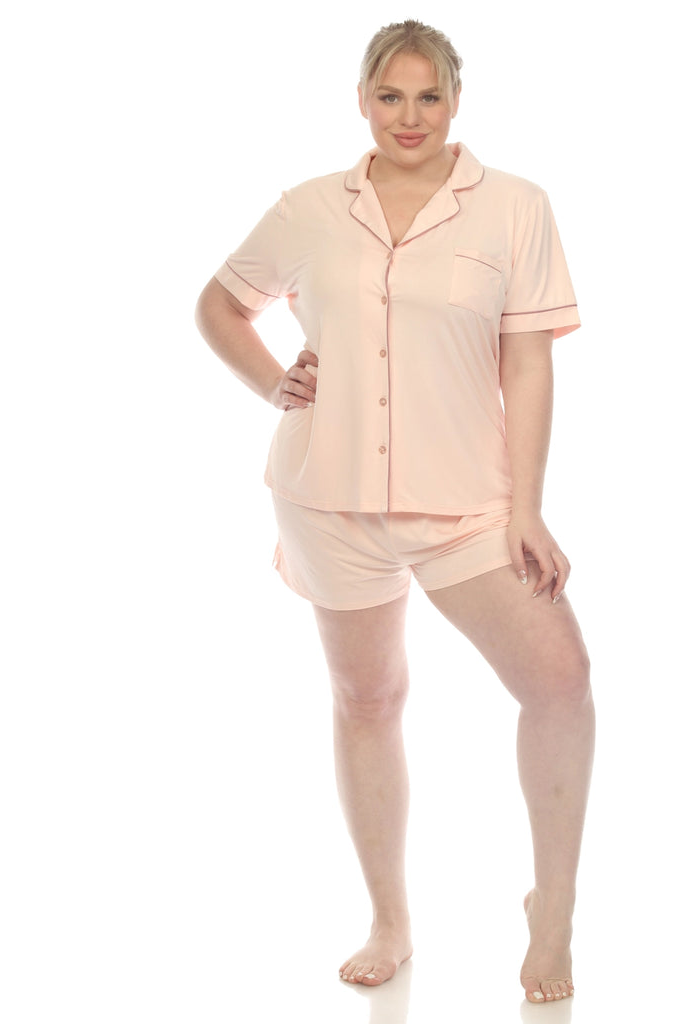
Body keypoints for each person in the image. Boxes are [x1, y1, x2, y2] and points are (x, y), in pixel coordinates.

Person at [194, 20, 595, 1005]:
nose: (408, 117)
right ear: (362, 101)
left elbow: (528, 365)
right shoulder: (308, 208)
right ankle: (389, 917)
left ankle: (551, 909)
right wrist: (275, 383)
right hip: (326, 496)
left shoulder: (515, 207)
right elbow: (219, 305)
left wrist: (528, 508)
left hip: (465, 505)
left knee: (559, 682)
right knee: (366, 700)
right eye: (389, 96)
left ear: (455, 101)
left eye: (427, 96)